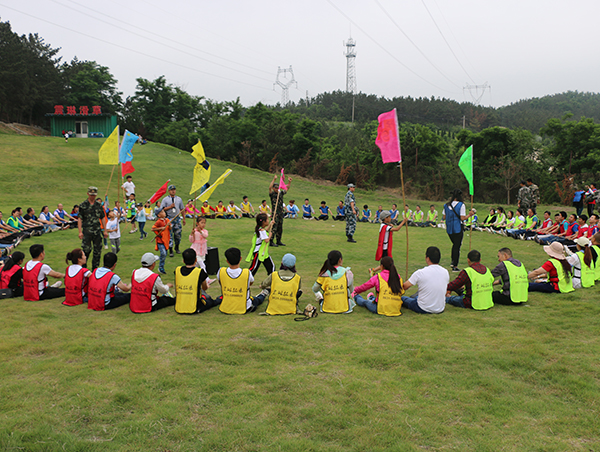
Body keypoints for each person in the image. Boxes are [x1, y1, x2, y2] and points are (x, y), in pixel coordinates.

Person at [401, 246, 449, 314]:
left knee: (404, 299)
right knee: (418, 296)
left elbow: (405, 287)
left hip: (422, 308)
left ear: (427, 258)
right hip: (440, 308)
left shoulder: (420, 273)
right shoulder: (445, 272)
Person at [217, 247, 263, 314]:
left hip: (226, 306)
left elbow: (221, 283)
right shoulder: (246, 272)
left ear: (227, 261)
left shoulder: (221, 271)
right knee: (256, 299)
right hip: (245, 306)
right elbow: (250, 283)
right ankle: (264, 294)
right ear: (240, 259)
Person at [174, 248, 220, 314]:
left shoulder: (177, 270)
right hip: (195, 307)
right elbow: (204, 288)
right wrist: (206, 286)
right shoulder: (199, 272)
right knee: (210, 300)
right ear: (196, 259)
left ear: (183, 261)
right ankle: (220, 298)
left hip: (179, 305)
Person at [443, 189, 474, 272]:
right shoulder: (461, 205)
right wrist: (469, 215)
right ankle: (454, 264)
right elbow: (462, 218)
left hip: (449, 228)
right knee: (457, 246)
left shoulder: (446, 205)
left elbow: (444, 217)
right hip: (457, 228)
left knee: (455, 245)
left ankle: (453, 262)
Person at [78, 186, 107, 269]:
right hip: (87, 232)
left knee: (97, 251)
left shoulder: (98, 205)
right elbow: (79, 219)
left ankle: (95, 269)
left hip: (97, 231)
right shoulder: (83, 205)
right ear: (88, 194)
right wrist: (80, 232)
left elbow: (102, 217)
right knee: (86, 251)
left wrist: (105, 230)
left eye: (94, 195)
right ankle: (84, 269)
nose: (92, 196)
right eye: (91, 194)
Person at [160, 184, 186, 257]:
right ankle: (170, 250)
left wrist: (184, 218)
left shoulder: (179, 199)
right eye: (171, 190)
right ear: (169, 191)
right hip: (169, 218)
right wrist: (170, 207)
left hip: (177, 218)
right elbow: (162, 209)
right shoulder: (165, 199)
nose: (173, 191)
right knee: (169, 235)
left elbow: (182, 209)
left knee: (178, 235)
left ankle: (177, 247)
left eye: (174, 189)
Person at [269, 174, 292, 246]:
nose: (276, 189)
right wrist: (274, 179)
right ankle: (271, 241)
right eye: (275, 188)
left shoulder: (280, 194)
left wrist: (289, 182)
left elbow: (287, 188)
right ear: (273, 188)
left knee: (280, 227)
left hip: (280, 213)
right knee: (274, 227)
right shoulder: (272, 194)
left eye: (277, 188)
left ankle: (278, 240)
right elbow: (269, 188)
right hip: (275, 213)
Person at [152, 208, 171, 275]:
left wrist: (169, 225)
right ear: (159, 215)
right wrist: (160, 228)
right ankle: (161, 267)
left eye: (164, 212)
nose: (164, 213)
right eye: (162, 212)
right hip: (160, 240)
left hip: (166, 239)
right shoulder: (159, 221)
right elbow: (153, 228)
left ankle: (158, 260)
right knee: (163, 254)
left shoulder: (167, 220)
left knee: (164, 254)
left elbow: (170, 229)